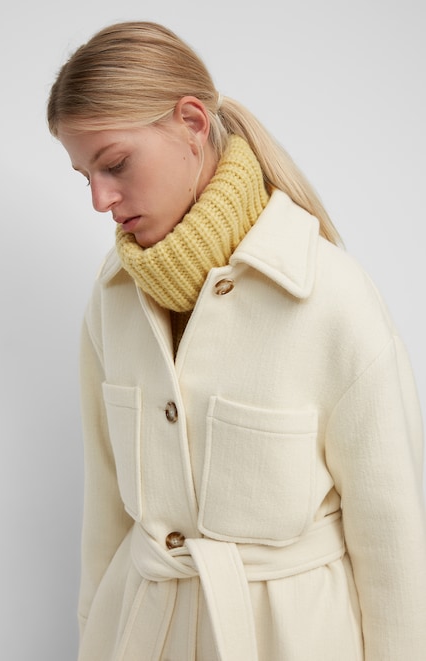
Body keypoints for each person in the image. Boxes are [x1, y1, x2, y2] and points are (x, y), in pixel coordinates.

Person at [47, 20, 426, 661]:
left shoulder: (328, 296)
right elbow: (105, 511)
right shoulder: (113, 298)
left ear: (192, 123)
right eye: (85, 176)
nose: (100, 199)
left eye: (115, 164)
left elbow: (392, 537)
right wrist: (93, 637)